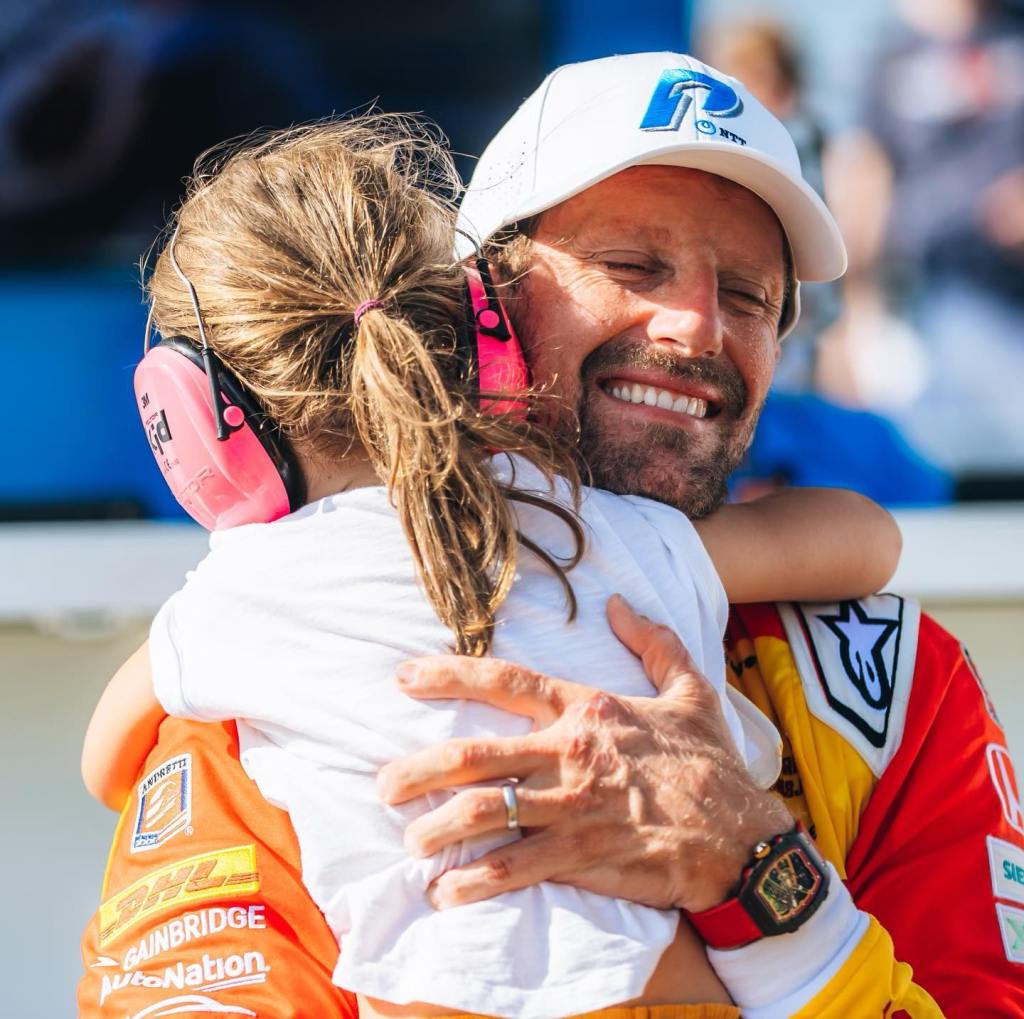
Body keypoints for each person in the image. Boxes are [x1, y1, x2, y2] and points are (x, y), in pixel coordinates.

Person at [78, 53, 1024, 1017]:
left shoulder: (896, 689)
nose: (696, 326)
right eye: (631, 265)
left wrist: (758, 873)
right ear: (479, 309)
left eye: (747, 294)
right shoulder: (248, 723)